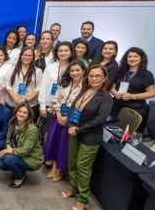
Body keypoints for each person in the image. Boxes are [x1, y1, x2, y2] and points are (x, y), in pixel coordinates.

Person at [63, 65, 113, 210]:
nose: (94, 78)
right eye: (91, 75)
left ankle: (83, 199)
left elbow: (100, 120)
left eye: (98, 76)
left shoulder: (106, 97)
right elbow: (73, 109)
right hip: (74, 132)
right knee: (72, 164)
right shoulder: (85, 90)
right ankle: (73, 189)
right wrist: (71, 125)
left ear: (104, 79)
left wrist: (78, 130)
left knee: (83, 168)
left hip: (90, 138)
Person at [43, 61, 85, 182]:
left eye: (77, 70)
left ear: (83, 71)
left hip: (72, 121)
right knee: (54, 143)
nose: (75, 73)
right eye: (72, 70)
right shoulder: (64, 83)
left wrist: (67, 118)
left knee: (64, 146)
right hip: (58, 118)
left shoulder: (85, 88)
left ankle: (60, 170)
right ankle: (54, 167)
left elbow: (81, 107)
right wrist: (58, 114)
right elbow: (56, 100)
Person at [0, 102, 43, 188]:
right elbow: (8, 139)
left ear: (28, 115)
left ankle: (20, 177)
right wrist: (8, 146)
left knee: (8, 159)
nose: (21, 114)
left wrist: (7, 151)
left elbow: (25, 151)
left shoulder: (32, 129)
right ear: (16, 111)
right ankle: (20, 169)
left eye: (25, 112)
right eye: (19, 111)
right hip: (17, 153)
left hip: (31, 158)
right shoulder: (12, 122)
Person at [110, 47, 155, 133]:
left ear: (141, 59)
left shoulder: (147, 74)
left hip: (135, 110)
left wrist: (132, 96)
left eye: (135, 56)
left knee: (127, 136)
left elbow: (152, 93)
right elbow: (112, 87)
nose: (132, 59)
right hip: (117, 107)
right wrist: (115, 93)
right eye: (129, 56)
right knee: (112, 131)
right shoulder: (121, 71)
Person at [38, 42, 73, 124]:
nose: (63, 53)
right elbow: (43, 86)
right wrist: (42, 106)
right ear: (56, 53)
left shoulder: (73, 68)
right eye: (60, 51)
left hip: (64, 108)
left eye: (66, 50)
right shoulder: (50, 67)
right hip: (48, 105)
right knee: (47, 133)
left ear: (71, 52)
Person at [5, 47, 43, 120]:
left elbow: (38, 88)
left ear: (33, 57)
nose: (26, 57)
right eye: (24, 55)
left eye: (29, 55)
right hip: (12, 104)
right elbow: (8, 85)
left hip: (30, 105)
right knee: (11, 125)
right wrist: (16, 99)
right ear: (20, 56)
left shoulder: (38, 71)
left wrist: (25, 100)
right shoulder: (11, 69)